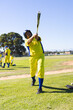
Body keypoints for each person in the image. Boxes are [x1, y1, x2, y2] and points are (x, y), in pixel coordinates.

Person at [23, 30, 45, 94]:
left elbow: (38, 39)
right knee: (32, 71)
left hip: (40, 56)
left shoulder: (37, 38)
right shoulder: (26, 41)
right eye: (27, 33)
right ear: (25, 35)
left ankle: (40, 88)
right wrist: (33, 36)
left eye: (29, 32)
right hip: (32, 57)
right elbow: (29, 42)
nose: (28, 34)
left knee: (40, 69)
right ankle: (33, 79)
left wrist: (36, 36)